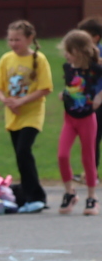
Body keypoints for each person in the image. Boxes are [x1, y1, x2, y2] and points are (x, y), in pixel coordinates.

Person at [0, 19, 53, 212]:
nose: (13, 44)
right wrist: (6, 100)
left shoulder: (39, 60)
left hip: (31, 114)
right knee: (19, 155)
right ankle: (26, 195)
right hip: (13, 115)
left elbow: (45, 88)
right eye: (10, 40)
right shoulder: (6, 59)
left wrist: (21, 102)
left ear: (30, 39)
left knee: (24, 151)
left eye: (18, 39)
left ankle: (36, 196)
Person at [55, 29, 102, 215]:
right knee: (62, 155)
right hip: (70, 118)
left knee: (88, 158)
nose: (66, 54)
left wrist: (100, 95)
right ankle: (70, 193)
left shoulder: (95, 68)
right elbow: (72, 86)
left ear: (81, 51)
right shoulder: (68, 68)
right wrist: (64, 95)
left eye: (69, 50)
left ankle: (92, 197)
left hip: (87, 119)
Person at [76, 16, 102, 177]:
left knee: (94, 136)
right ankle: (90, 173)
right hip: (89, 100)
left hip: (99, 100)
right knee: (91, 138)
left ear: (95, 37)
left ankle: (90, 174)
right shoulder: (84, 55)